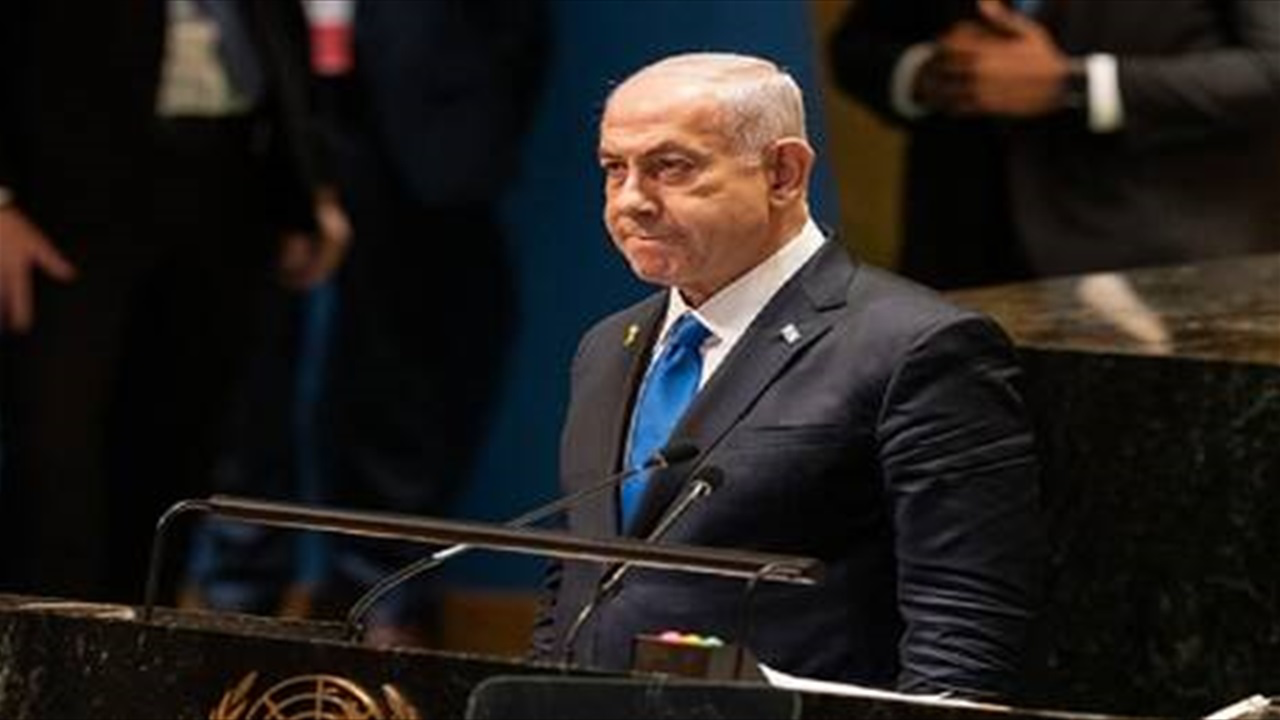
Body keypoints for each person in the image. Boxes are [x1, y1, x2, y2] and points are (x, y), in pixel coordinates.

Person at [530, 53, 1043, 699]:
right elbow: (575, 576)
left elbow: (963, 619)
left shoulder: (917, 348)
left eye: (671, 166)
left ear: (783, 173)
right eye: (614, 168)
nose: (631, 200)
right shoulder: (607, 346)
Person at [195, 0, 550, 645]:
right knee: (240, 368)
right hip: (244, 97)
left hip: (425, 109)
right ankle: (232, 606)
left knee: (410, 374)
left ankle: (380, 596)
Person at [0, 0, 339, 603]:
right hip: (63, 191)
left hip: (226, 176)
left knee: (178, 458)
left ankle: (141, 644)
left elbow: (278, 28)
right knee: (57, 461)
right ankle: (49, 652)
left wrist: (309, 186)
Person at [829, 0, 1280, 289]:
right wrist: (928, 73)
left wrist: (1076, 84)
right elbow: (858, 45)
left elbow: (1270, 67)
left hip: (1161, 261)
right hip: (959, 252)